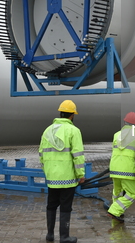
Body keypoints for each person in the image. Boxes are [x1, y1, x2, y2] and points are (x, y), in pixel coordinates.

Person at [39, 100, 85, 243]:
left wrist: (47, 172)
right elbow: (77, 155)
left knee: (51, 204)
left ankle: (50, 235)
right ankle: (64, 237)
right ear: (72, 115)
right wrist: (81, 175)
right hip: (67, 178)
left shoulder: (47, 130)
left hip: (52, 178)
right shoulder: (74, 131)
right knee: (66, 207)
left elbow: (41, 154)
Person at [107, 112, 135, 222]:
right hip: (127, 169)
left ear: (124, 122)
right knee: (133, 193)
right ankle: (115, 210)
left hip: (114, 166)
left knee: (117, 191)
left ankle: (118, 213)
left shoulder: (116, 134)